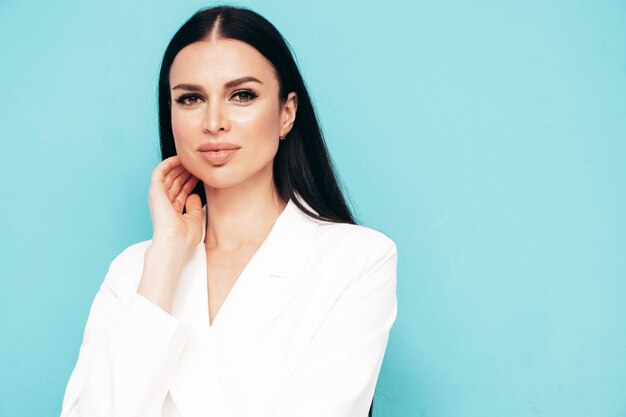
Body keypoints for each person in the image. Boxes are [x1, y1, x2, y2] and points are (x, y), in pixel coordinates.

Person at [60, 5, 397, 417]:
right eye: (190, 98)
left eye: (242, 95)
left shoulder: (356, 259)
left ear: (286, 113)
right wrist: (165, 257)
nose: (214, 121)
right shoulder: (133, 272)